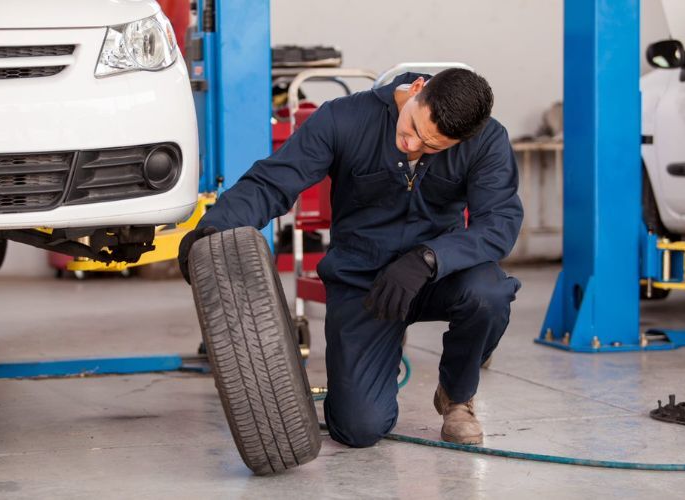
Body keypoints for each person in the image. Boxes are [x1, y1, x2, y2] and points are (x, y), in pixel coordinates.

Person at [178, 68, 523, 447]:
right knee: (359, 429)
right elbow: (274, 182)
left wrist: (429, 258)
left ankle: (456, 396)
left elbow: (498, 224)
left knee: (489, 293)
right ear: (418, 90)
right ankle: (381, 350)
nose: (412, 146)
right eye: (413, 130)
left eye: (432, 146)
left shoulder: (488, 140)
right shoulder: (343, 118)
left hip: (434, 275)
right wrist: (213, 229)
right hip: (364, 280)